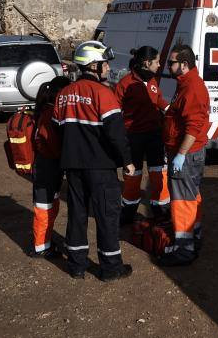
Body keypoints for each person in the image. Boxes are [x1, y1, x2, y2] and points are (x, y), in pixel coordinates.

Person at [52, 40, 135, 281]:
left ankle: (76, 265)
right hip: (100, 167)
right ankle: (111, 268)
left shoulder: (64, 95)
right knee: (107, 216)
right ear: (93, 66)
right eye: (104, 64)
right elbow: (116, 134)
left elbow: (58, 129)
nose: (108, 68)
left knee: (77, 214)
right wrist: (127, 161)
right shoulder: (103, 94)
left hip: (73, 166)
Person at [159, 44, 210, 267]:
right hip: (187, 152)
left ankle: (184, 248)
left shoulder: (192, 88)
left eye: (172, 62)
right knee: (190, 196)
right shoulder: (186, 84)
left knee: (182, 200)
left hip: (186, 154)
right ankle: (193, 237)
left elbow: (193, 126)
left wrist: (180, 154)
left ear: (184, 65)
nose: (168, 66)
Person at [114, 46, 170, 224]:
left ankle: (159, 208)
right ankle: (129, 209)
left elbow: (158, 98)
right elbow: (115, 109)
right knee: (132, 174)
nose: (160, 65)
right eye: (157, 61)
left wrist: (169, 109)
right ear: (147, 63)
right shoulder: (126, 83)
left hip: (154, 134)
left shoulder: (152, 80)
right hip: (134, 136)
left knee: (158, 171)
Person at [30, 76, 71, 258]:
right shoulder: (50, 114)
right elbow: (52, 144)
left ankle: (44, 241)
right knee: (44, 207)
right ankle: (41, 247)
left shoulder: (46, 110)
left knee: (49, 204)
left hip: (46, 165)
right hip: (47, 165)